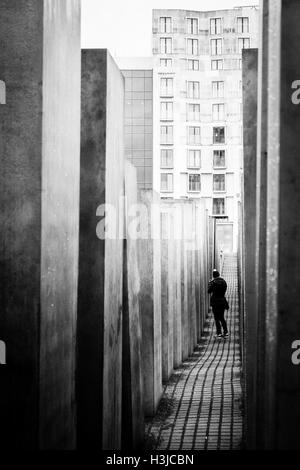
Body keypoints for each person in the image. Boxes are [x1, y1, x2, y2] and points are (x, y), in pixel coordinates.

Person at [208, 269, 229, 339]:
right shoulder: (224, 282)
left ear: (213, 276)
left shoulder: (213, 282)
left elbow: (209, 291)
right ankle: (226, 332)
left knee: (216, 318)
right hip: (222, 301)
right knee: (222, 317)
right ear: (219, 275)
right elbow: (224, 289)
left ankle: (219, 333)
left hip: (215, 302)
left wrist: (210, 284)